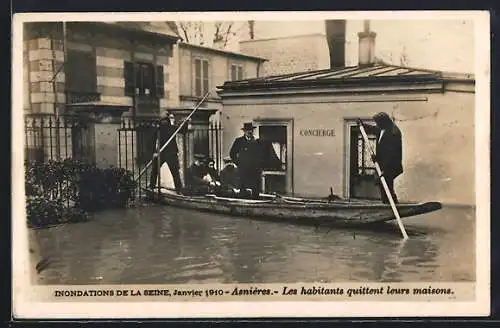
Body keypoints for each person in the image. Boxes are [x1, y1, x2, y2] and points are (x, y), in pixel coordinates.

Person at [149, 111, 187, 193]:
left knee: (175, 172)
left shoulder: (172, 128)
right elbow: (152, 141)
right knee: (155, 170)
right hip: (160, 152)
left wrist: (184, 123)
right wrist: (154, 152)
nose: (164, 122)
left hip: (171, 153)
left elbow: (183, 131)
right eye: (163, 120)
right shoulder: (159, 129)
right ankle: (151, 186)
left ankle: (179, 189)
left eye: (166, 120)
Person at [370, 112, 403, 204]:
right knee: (383, 185)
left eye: (378, 122)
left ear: (384, 122)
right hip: (383, 163)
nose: (377, 125)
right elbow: (373, 129)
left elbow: (391, 153)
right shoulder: (382, 129)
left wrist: (385, 168)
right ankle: (387, 204)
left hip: (390, 165)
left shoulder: (393, 132)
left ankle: (392, 205)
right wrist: (361, 124)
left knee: (387, 186)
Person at [229, 122, 263, 198]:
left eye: (251, 130)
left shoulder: (257, 142)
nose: (249, 132)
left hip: (255, 171)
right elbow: (232, 153)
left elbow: (261, 155)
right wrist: (239, 163)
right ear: (244, 131)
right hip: (243, 170)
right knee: (243, 190)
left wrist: (259, 165)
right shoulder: (239, 141)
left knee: (255, 191)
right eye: (247, 130)